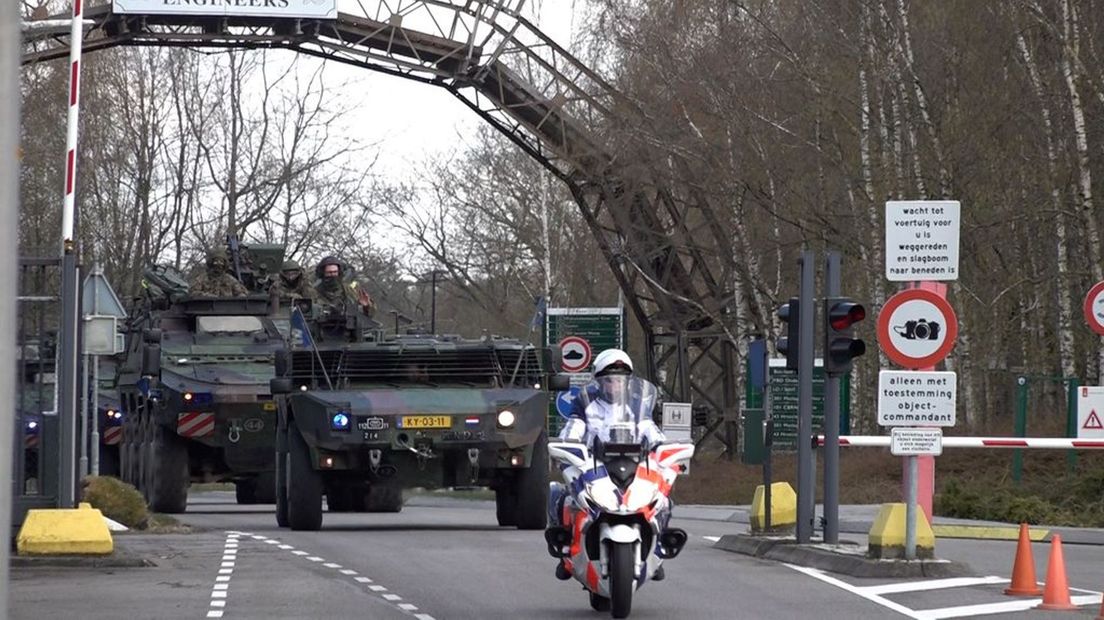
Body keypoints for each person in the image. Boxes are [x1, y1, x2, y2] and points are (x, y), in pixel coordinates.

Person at [548, 348, 668, 581]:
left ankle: (657, 551)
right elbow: (572, 431)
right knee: (562, 497)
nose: (615, 385)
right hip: (595, 467)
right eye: (610, 380)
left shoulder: (636, 410)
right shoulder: (586, 407)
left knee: (662, 500)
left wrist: (663, 448)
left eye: (621, 380)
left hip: (632, 465)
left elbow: (651, 432)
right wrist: (567, 445)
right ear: (600, 382)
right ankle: (566, 554)